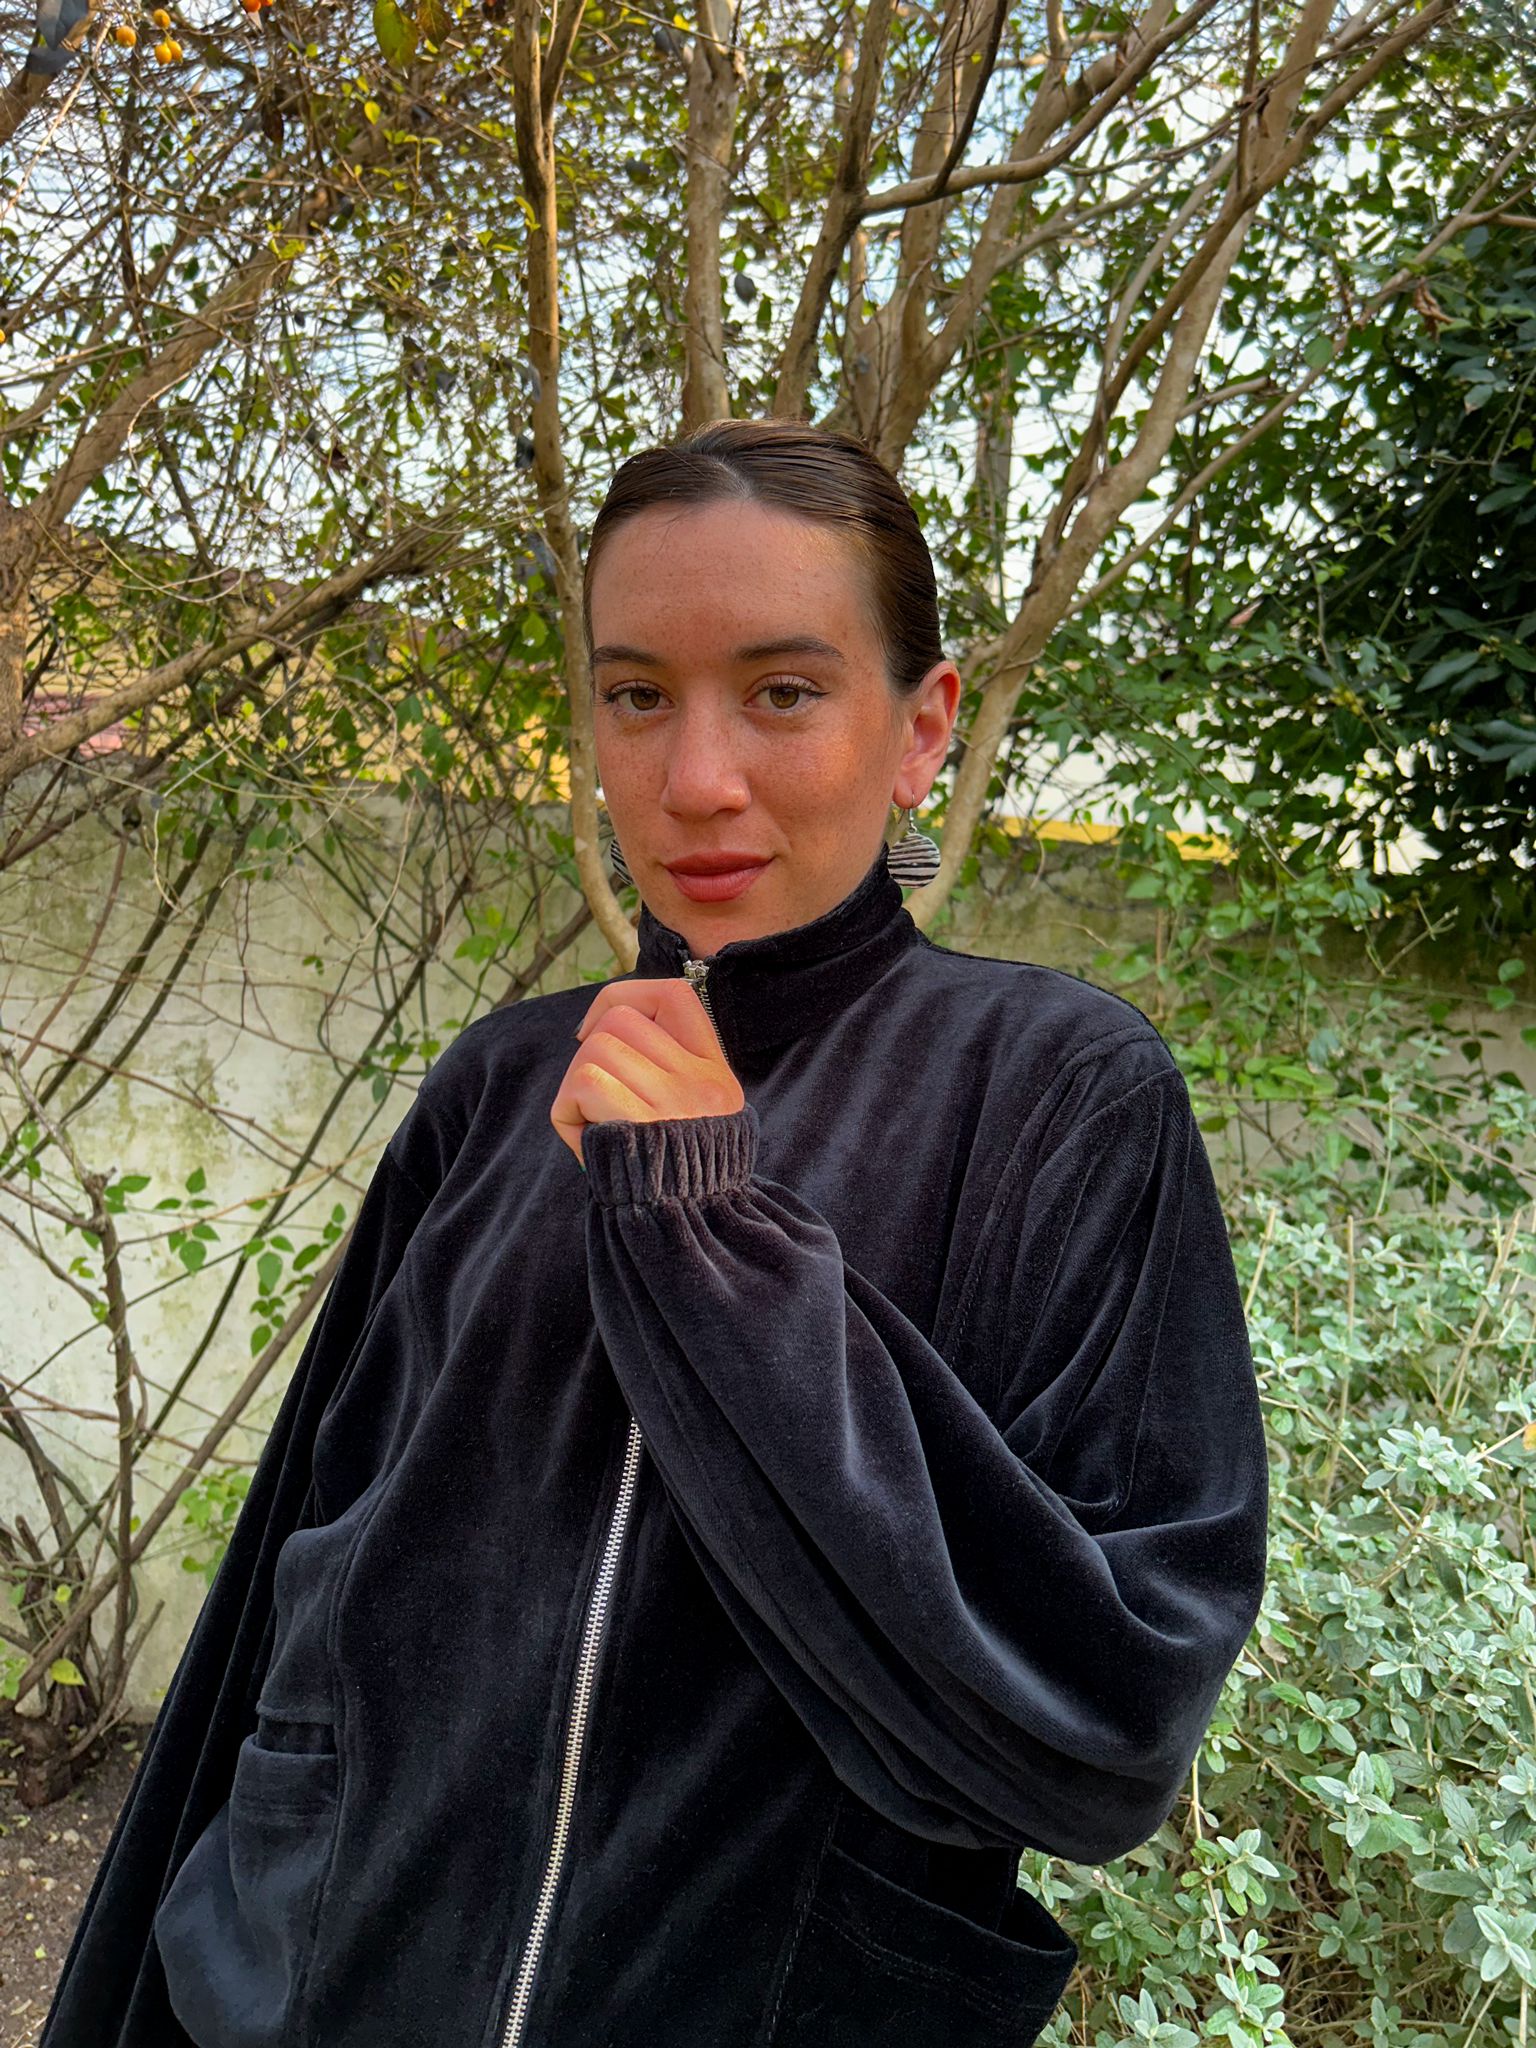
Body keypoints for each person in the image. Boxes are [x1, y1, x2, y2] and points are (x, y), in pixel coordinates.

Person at [41, 417, 1269, 2048]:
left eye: (783, 691)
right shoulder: (499, 1083)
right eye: (635, 695)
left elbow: (1107, 1724)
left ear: (922, 728)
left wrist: (703, 1223)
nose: (694, 781)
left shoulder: (1057, 1093)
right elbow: (292, 1582)